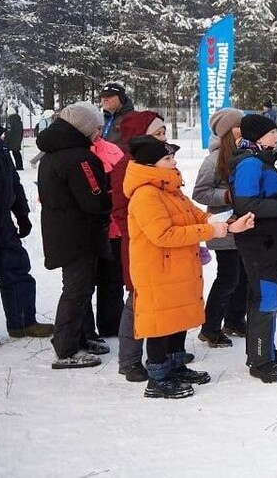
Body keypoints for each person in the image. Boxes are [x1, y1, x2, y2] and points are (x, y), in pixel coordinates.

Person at [125, 135, 255, 398]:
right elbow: (164, 234)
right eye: (167, 158)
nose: (174, 162)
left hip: (179, 268)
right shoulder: (146, 195)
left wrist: (228, 225)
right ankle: (158, 378)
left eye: (173, 157)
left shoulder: (170, 190)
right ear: (150, 165)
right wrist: (212, 229)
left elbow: (199, 216)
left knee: (178, 318)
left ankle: (176, 365)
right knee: (160, 325)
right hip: (157, 271)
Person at [37, 102, 113, 369]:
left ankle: (80, 336)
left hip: (62, 230)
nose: (99, 134)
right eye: (96, 128)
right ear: (83, 127)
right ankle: (66, 347)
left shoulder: (53, 153)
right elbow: (94, 199)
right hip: (78, 234)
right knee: (76, 289)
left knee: (80, 287)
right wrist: (109, 198)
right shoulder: (80, 158)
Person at [231, 113, 277, 382]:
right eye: (273, 132)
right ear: (258, 137)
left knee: (264, 296)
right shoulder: (249, 163)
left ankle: (265, 347)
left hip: (268, 240)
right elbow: (245, 205)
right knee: (265, 299)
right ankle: (260, 361)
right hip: (258, 243)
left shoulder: (262, 160)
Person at [111, 111, 169, 382]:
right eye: (158, 133)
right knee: (137, 301)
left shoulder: (159, 161)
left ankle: (163, 351)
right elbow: (121, 211)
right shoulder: (127, 166)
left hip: (161, 241)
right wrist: (141, 234)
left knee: (158, 300)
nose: (164, 138)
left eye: (164, 132)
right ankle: (129, 359)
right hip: (139, 244)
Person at [0, 121, 54, 348]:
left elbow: (12, 180)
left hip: (2, 223)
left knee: (16, 269)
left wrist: (22, 214)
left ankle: (23, 323)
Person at [193, 108, 249, 347]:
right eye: (238, 126)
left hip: (243, 226)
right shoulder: (215, 159)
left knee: (244, 276)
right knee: (228, 278)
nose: (243, 129)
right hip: (223, 227)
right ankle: (210, 327)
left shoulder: (244, 153)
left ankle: (234, 319)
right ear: (227, 131)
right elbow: (200, 192)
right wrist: (227, 195)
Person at [87, 131, 126, 340]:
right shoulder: (77, 152)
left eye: (98, 127)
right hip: (88, 229)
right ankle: (86, 332)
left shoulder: (112, 149)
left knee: (112, 280)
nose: (96, 132)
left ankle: (111, 325)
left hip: (114, 227)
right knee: (85, 282)